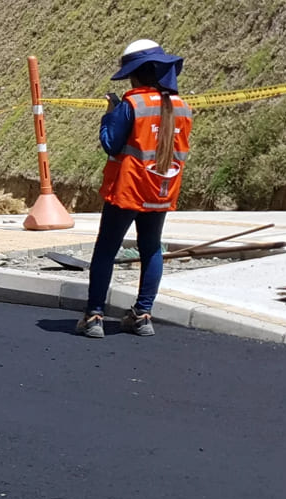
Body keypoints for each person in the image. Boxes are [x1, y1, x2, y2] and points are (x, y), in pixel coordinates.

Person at [78, 39, 193, 339]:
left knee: (106, 250)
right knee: (151, 248)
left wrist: (110, 113)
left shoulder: (133, 104)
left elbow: (110, 143)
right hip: (161, 190)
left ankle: (94, 317)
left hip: (128, 190)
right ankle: (142, 315)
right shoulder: (183, 107)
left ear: (138, 74)